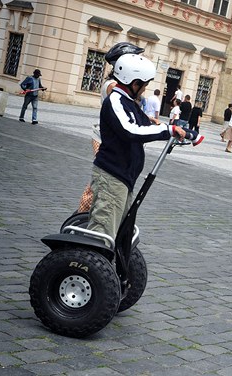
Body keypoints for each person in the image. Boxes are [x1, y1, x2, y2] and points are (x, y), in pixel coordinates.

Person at [87, 53, 188, 242]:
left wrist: (180, 131)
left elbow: (145, 125)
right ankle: (87, 267)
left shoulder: (128, 102)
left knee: (119, 229)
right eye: (144, 84)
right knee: (103, 232)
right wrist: (168, 130)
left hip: (123, 177)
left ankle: (108, 266)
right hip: (112, 175)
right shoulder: (116, 100)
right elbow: (130, 131)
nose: (144, 89)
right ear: (134, 83)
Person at [78, 42, 145, 213]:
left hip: (112, 137)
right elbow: (124, 109)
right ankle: (83, 216)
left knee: (107, 178)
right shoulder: (114, 87)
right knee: (105, 177)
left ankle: (90, 215)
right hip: (105, 138)